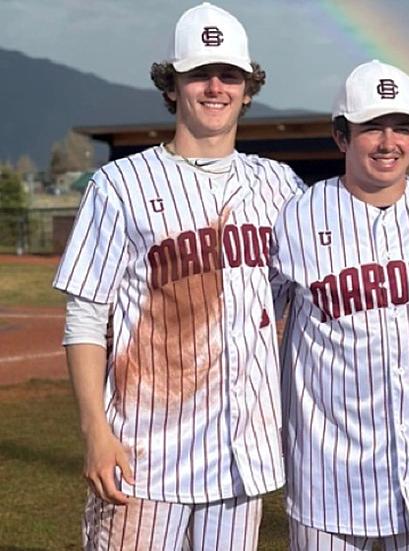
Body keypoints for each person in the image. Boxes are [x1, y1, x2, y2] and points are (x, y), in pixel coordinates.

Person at [52, 3, 303, 549]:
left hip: (244, 460)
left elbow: (348, 237)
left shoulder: (279, 185)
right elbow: (87, 316)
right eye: (199, 73)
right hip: (146, 458)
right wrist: (95, 432)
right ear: (173, 85)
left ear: (247, 85)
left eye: (230, 74)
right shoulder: (120, 184)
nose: (216, 87)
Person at [270, 60, 409, 550]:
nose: (389, 142)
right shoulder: (294, 218)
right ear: (341, 137)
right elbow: (249, 320)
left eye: (402, 128)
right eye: (372, 127)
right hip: (328, 479)